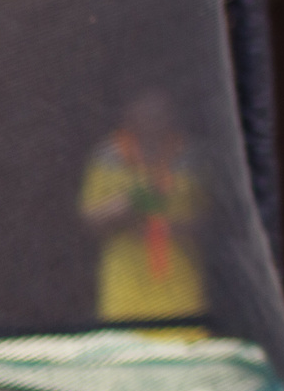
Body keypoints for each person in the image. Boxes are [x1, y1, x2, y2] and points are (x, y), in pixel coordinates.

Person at [78, 87, 205, 328]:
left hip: (179, 286)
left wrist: (172, 228)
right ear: (129, 115)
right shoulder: (108, 156)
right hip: (124, 286)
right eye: (145, 114)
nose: (152, 122)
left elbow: (216, 221)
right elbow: (89, 221)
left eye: (159, 114)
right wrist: (126, 205)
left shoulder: (189, 156)